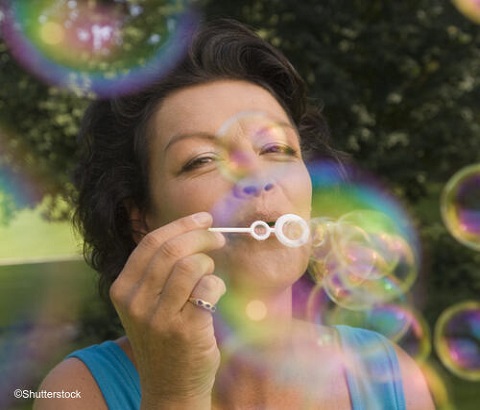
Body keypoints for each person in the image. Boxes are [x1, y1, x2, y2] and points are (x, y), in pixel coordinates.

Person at [34, 19, 434, 409]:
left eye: (277, 149)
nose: (256, 177)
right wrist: (175, 394)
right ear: (141, 219)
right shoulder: (76, 393)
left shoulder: (395, 378)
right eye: (202, 159)